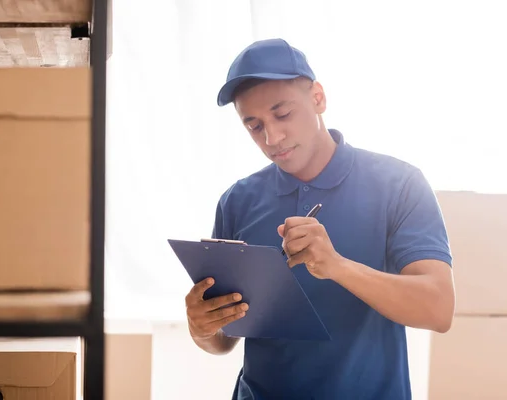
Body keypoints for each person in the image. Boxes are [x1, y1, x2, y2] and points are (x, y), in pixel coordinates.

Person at [184, 38, 456, 400]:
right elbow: (224, 339)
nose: (272, 137)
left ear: (318, 98)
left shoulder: (399, 184)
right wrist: (201, 328)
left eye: (282, 114)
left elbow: (438, 309)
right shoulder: (238, 200)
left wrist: (337, 266)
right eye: (254, 126)